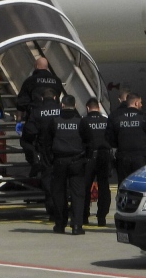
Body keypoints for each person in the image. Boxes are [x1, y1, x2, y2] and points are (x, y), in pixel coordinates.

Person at [41, 94, 88, 235]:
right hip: (77, 161)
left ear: (62, 105)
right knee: (77, 195)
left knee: (58, 194)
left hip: (59, 161)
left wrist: (50, 160)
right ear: (75, 106)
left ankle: (60, 225)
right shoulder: (81, 122)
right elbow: (89, 142)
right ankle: (76, 226)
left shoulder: (54, 121)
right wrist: (86, 158)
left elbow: (46, 143)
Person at [23, 88, 62, 217]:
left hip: (45, 149)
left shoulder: (37, 112)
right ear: (55, 98)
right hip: (62, 149)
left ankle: (52, 210)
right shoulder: (61, 110)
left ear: (42, 99)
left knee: (48, 179)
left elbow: (29, 132)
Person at [106, 93, 146, 182]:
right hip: (141, 158)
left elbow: (109, 137)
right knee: (140, 184)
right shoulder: (144, 117)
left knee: (124, 184)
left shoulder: (116, 117)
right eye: (140, 102)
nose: (141, 105)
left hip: (123, 158)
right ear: (136, 103)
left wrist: (119, 145)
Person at [79, 97, 111, 227]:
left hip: (89, 156)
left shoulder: (83, 122)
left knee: (85, 187)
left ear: (87, 108)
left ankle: (84, 216)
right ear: (98, 108)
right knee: (104, 186)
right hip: (104, 155)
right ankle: (101, 217)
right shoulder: (106, 121)